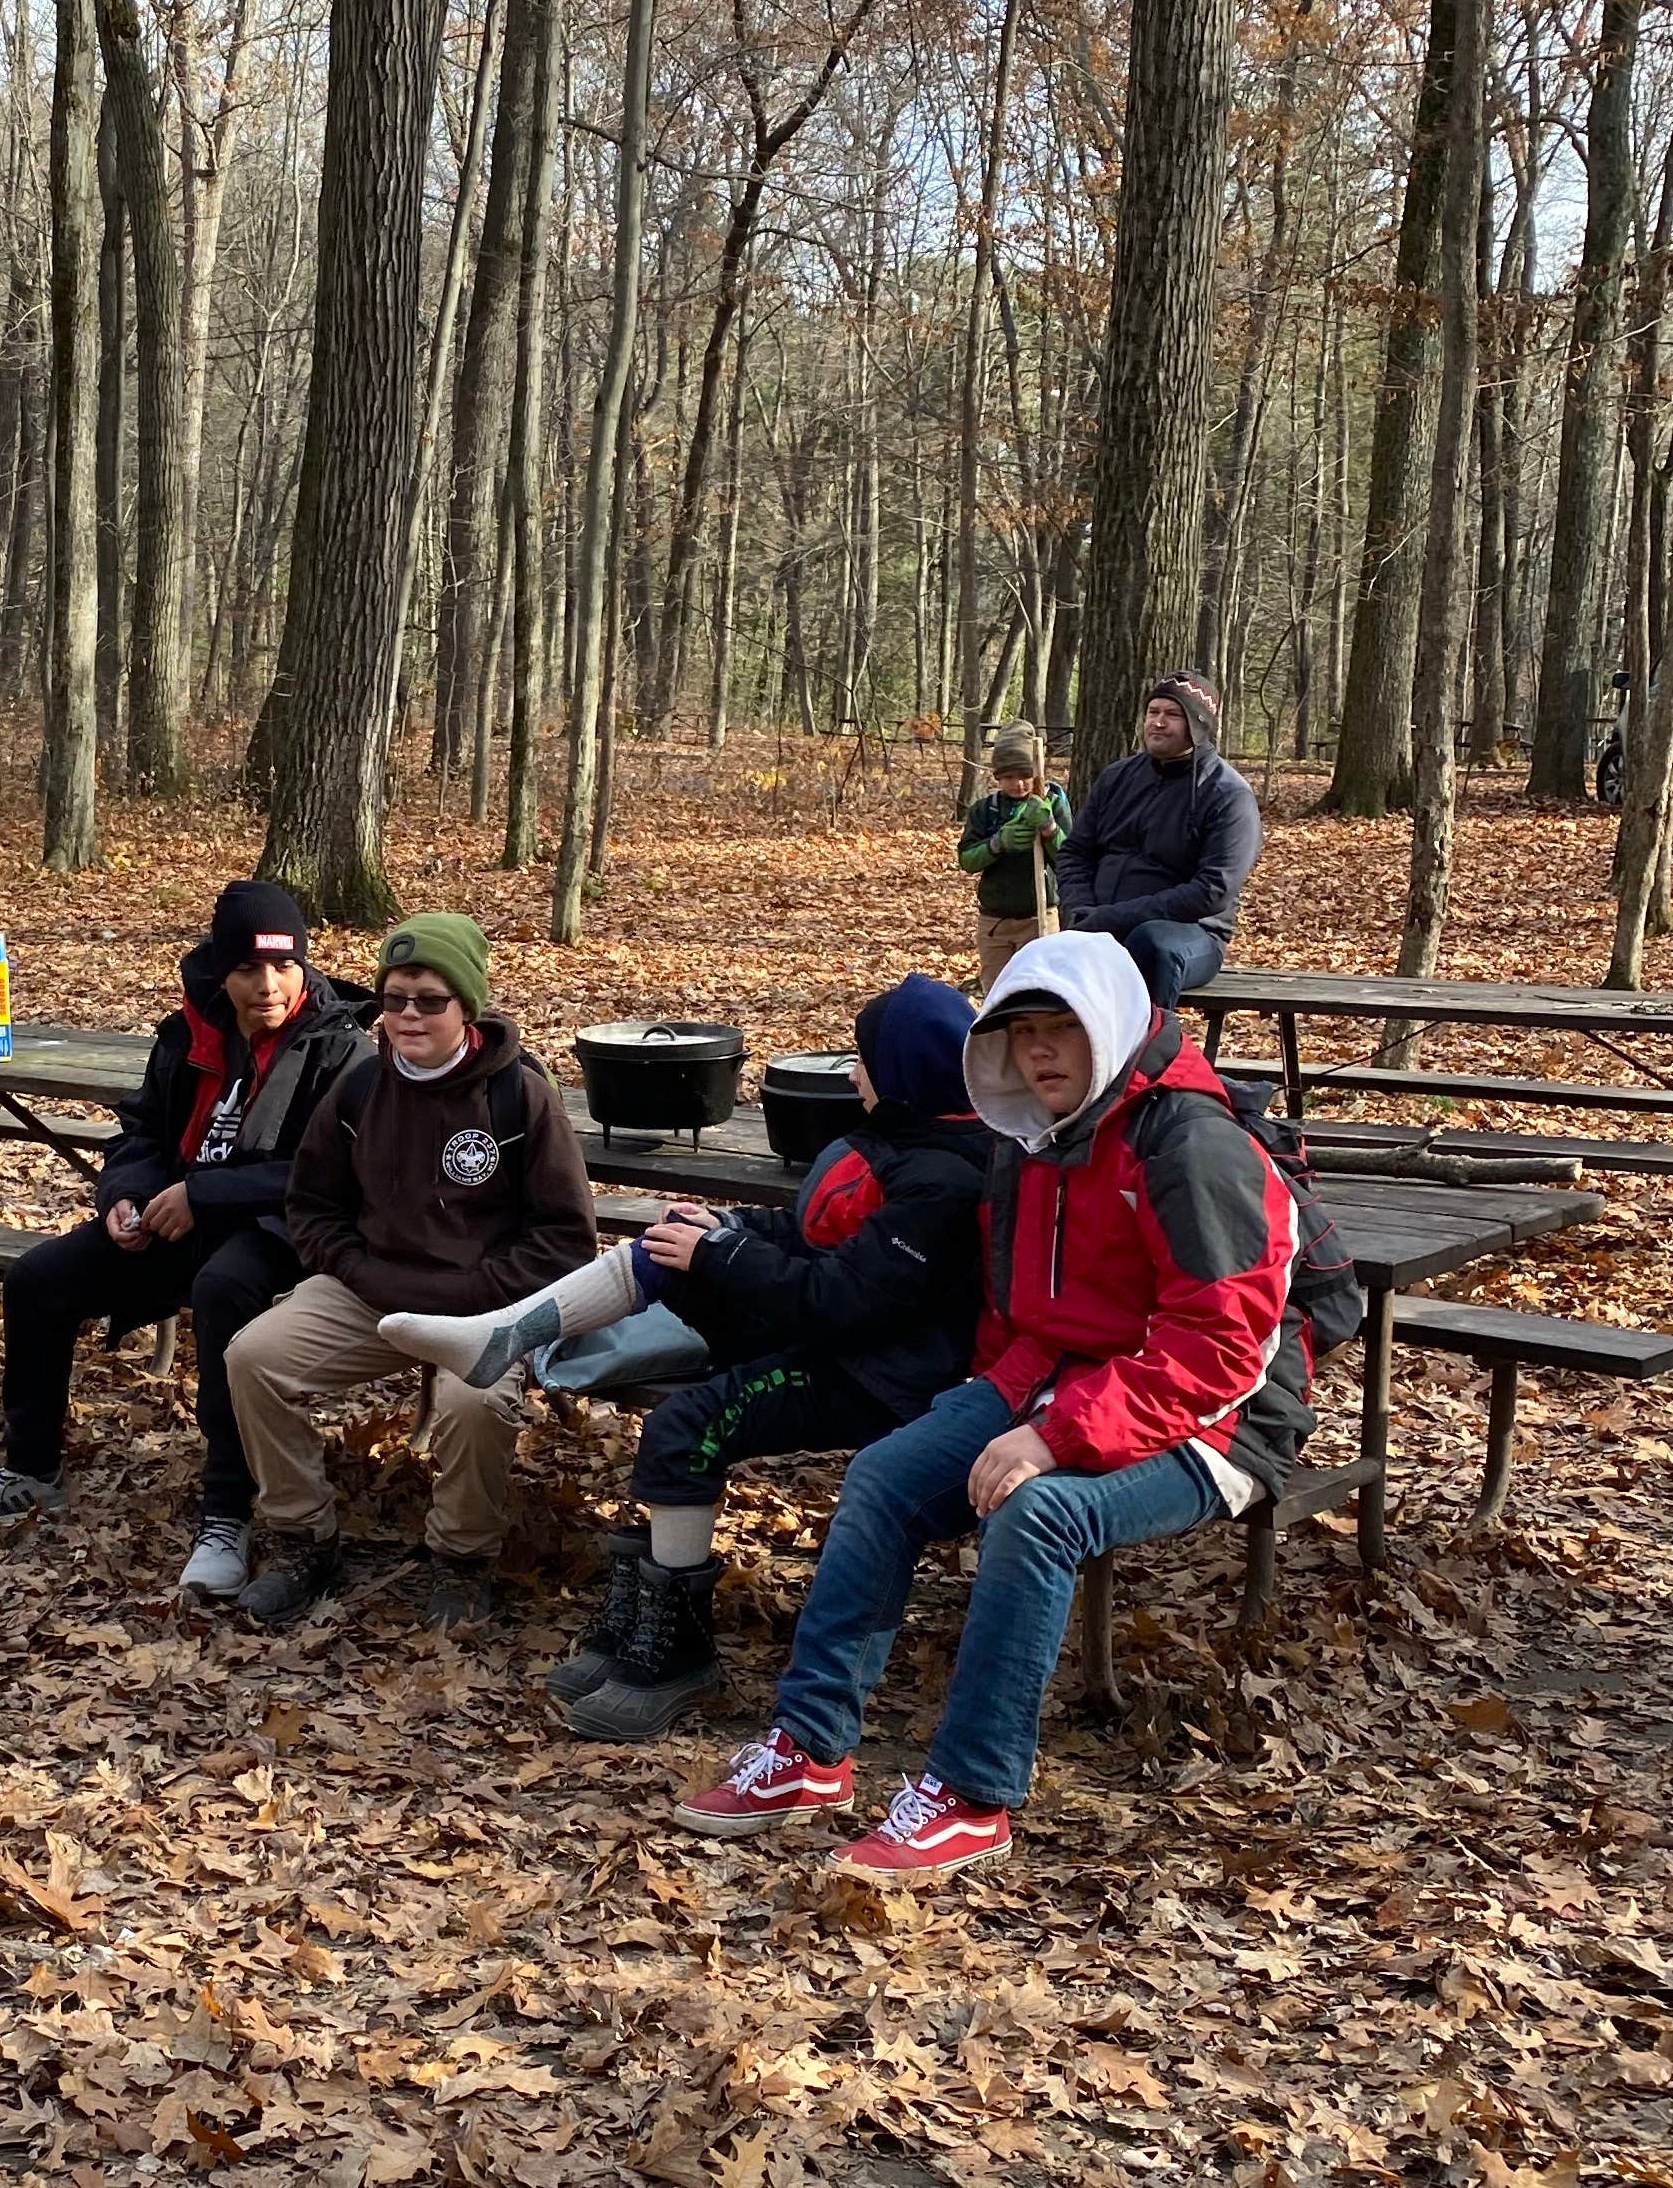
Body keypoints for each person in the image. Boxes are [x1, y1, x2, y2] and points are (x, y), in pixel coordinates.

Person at [673, 930, 1322, 1875]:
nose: (1041, 1051)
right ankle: (809, 1749)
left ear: (1108, 1024)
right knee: (888, 1474)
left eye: (1062, 1027)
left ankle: (972, 1794)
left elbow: (1221, 1349)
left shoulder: (1191, 1144)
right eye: (1022, 1033)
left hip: (1224, 1420)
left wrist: (1053, 1438)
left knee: (1039, 1512)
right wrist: (986, 1406)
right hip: (1061, 1378)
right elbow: (1028, 1315)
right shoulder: (1028, 1140)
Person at [381, 976, 985, 1739]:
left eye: (864, 1059)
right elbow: (816, 1241)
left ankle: (678, 1652)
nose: (854, 1073)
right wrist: (725, 1228)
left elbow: (846, 1298)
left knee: (685, 1426)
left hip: (876, 1376)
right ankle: (502, 1336)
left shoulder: (941, 1178)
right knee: (670, 1248)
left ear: (902, 1071)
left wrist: (724, 1255)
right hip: (835, 1337)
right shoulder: (908, 1141)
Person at [0, 881, 369, 1597]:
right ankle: (30, 1471)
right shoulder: (188, 1033)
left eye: (284, 966)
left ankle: (226, 1514)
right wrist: (125, 1198)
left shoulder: (340, 1050)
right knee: (38, 1279)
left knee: (223, 1290)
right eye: (248, 969)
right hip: (172, 1220)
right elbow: (140, 1131)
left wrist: (204, 1195)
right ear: (220, 971)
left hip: (277, 1233)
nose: (268, 986)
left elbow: (329, 1175)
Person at [223, 911, 597, 1632]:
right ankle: (304, 1538)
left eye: (430, 1000)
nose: (408, 1016)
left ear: (467, 1006)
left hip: (485, 1305)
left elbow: (565, 1241)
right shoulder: (361, 1087)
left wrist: (475, 1295)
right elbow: (312, 1205)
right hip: (371, 1291)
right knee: (254, 1358)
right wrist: (358, 1269)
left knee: (475, 1404)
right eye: (394, 999)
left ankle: (461, 1558)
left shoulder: (519, 1095)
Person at [1056, 673, 1261, 1009]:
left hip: (1189, 934)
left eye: (1173, 714)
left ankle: (1150, 1040)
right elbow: (1075, 853)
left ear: (1198, 725)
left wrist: (1115, 918)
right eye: (1153, 712)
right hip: (1098, 921)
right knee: (1041, 959)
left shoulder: (1227, 794)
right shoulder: (1117, 777)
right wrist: (1081, 908)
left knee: (1151, 944)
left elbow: (1213, 891)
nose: (1158, 723)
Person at [956, 723, 1069, 995]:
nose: (1018, 784)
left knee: (1041, 995)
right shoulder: (986, 810)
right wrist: (997, 844)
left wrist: (1049, 829)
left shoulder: (1052, 803)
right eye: (1008, 777)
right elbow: (967, 860)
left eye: (1025, 775)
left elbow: (1069, 860)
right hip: (995, 923)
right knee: (998, 995)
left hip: (1040, 918)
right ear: (997, 776)